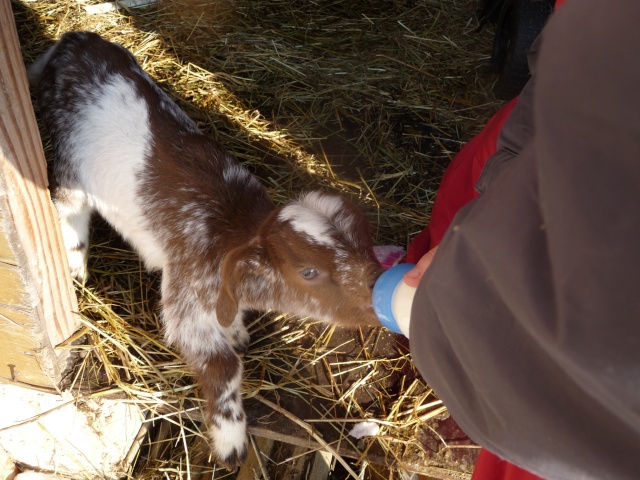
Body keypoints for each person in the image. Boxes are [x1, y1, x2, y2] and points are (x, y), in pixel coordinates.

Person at [401, 1, 640, 479]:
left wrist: (441, 321)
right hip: (564, 122)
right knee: (471, 180)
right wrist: (500, 179)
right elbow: (578, 46)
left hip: (571, 411)